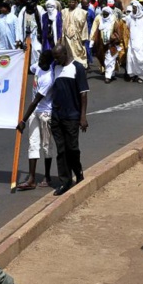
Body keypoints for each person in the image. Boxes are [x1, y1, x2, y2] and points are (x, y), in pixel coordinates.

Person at [49, 44, 88, 196]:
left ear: (65, 53)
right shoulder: (55, 68)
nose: (55, 60)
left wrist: (82, 117)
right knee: (61, 150)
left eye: (58, 57)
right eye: (54, 57)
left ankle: (78, 172)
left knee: (72, 149)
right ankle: (65, 181)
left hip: (72, 116)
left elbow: (83, 94)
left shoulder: (77, 68)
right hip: (57, 116)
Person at [16, 50, 55, 190]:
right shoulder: (38, 66)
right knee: (33, 144)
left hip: (45, 113)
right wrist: (22, 54)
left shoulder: (49, 78)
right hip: (34, 113)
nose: (40, 61)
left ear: (48, 62)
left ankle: (47, 176)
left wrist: (23, 121)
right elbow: (28, 68)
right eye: (40, 58)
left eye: (43, 60)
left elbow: (35, 101)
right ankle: (31, 179)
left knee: (46, 145)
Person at [90, 6, 124, 83]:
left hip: (111, 45)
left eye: (106, 14)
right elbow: (97, 33)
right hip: (102, 45)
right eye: (104, 14)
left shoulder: (114, 22)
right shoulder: (101, 22)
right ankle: (112, 74)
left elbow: (118, 34)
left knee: (110, 60)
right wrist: (93, 41)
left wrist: (113, 38)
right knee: (106, 60)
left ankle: (107, 77)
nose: (105, 16)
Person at [125, 0, 143, 83]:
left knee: (141, 59)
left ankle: (141, 76)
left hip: (142, 42)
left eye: (134, 8)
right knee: (131, 59)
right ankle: (133, 75)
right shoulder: (130, 17)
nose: (133, 10)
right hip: (132, 42)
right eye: (132, 8)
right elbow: (127, 28)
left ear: (138, 8)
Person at [15, 0, 45, 64]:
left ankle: (38, 66)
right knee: (27, 51)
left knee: (37, 50)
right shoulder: (23, 10)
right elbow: (19, 25)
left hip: (37, 34)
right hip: (27, 35)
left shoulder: (39, 9)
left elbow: (43, 23)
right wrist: (19, 39)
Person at [61, 0, 89, 66]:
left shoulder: (82, 12)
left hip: (77, 37)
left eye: (73, 2)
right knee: (68, 52)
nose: (71, 3)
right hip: (66, 37)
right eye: (70, 2)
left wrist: (84, 37)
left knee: (78, 53)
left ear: (76, 3)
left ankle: (79, 66)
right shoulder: (64, 11)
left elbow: (85, 26)